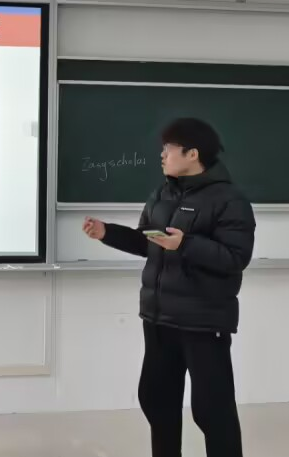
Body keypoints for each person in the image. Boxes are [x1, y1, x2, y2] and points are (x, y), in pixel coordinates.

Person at [82, 118, 255, 457]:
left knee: (212, 411)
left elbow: (235, 258)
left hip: (203, 322)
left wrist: (185, 244)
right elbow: (148, 242)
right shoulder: (162, 194)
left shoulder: (229, 200)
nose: (162, 155)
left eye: (169, 148)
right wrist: (107, 233)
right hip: (159, 318)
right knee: (156, 401)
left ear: (193, 154)